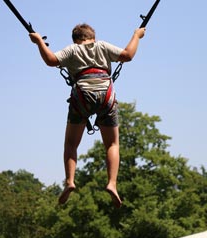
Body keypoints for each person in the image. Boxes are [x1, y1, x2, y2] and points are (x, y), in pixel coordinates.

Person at [29, 23, 145, 208]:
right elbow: (127, 55)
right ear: (93, 37)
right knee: (112, 144)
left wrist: (38, 43)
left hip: (82, 97)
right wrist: (137, 36)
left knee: (71, 144)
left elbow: (51, 60)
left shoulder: (72, 50)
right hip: (106, 96)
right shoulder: (102, 46)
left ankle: (70, 181)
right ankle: (112, 183)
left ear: (76, 39)